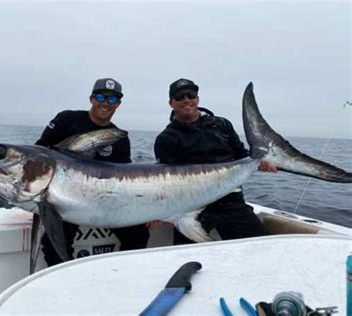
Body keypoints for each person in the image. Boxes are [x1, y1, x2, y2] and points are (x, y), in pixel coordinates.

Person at [36, 78, 150, 266]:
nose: (105, 103)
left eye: (112, 100)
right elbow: (39, 152)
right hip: (65, 199)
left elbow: (124, 179)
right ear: (91, 98)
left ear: (118, 104)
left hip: (105, 200)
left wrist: (145, 210)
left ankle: (118, 273)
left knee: (138, 235)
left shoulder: (119, 137)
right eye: (100, 97)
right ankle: (68, 280)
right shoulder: (66, 120)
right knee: (52, 245)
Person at [154, 78, 277, 244]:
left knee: (263, 249)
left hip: (232, 203)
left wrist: (261, 163)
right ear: (171, 103)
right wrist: (156, 211)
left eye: (191, 95)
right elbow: (166, 183)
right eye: (180, 97)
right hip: (194, 209)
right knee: (185, 258)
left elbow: (242, 155)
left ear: (197, 99)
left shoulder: (222, 125)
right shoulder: (166, 139)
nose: (186, 100)